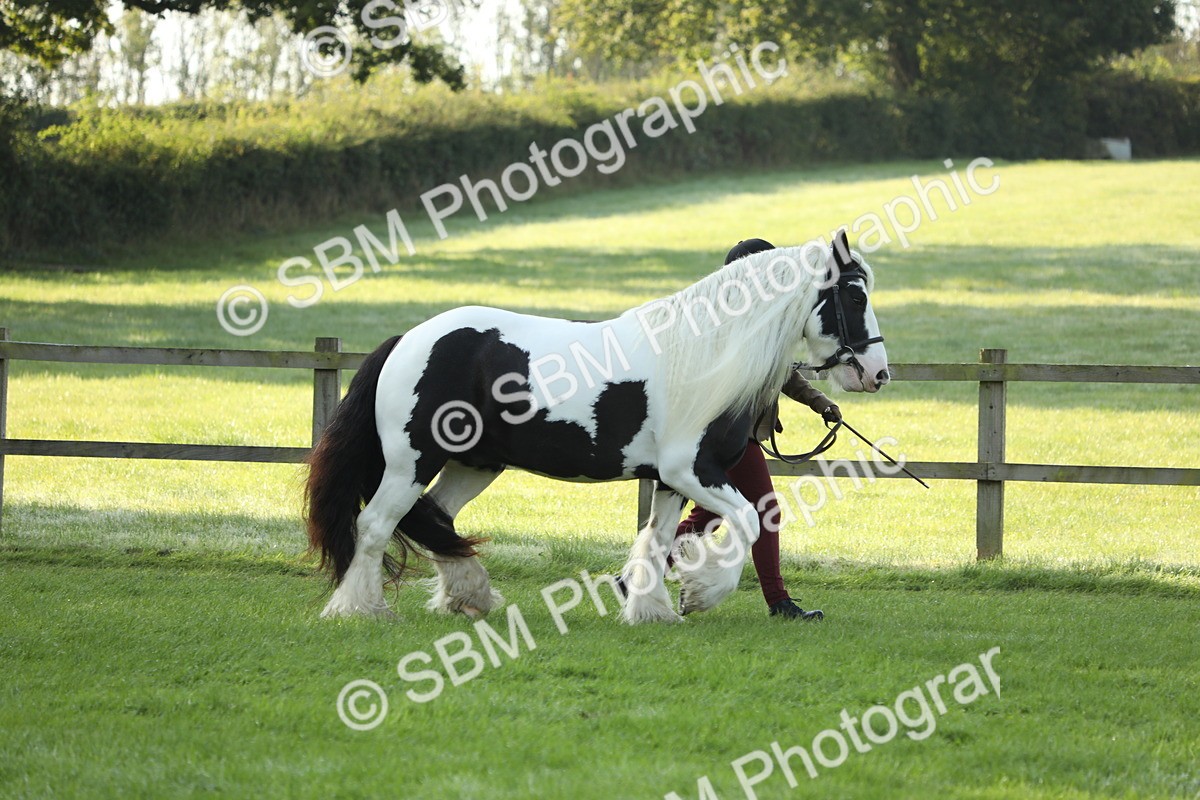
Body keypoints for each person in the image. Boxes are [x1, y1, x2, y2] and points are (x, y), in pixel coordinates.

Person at [674, 237, 840, 621]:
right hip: (728, 437)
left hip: (736, 438)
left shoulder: (763, 324)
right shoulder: (728, 326)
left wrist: (822, 404)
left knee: (706, 518)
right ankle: (778, 602)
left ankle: (641, 577)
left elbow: (786, 375)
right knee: (766, 512)